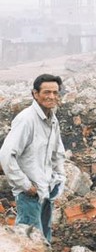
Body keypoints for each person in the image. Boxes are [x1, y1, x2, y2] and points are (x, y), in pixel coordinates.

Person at [0, 74, 66, 243]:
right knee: (28, 241)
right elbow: (6, 155)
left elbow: (57, 152)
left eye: (55, 92)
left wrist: (58, 179)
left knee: (44, 238)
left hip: (46, 190)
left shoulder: (53, 120)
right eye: (46, 92)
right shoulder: (26, 120)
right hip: (30, 194)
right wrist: (25, 185)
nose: (51, 96)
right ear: (35, 94)